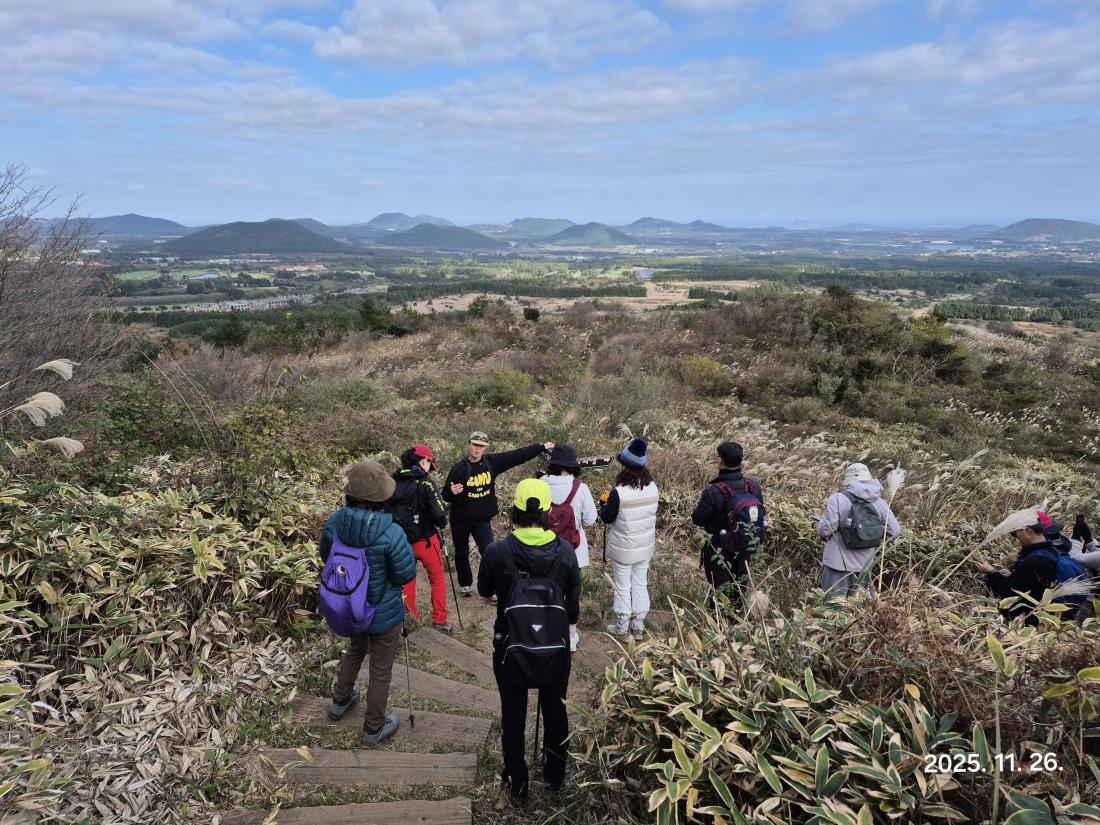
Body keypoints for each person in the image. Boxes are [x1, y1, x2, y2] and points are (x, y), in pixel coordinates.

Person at [478, 478, 581, 807]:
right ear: (548, 511)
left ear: (515, 510)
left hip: (510, 645)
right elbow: (573, 609)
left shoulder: (497, 551)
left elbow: (483, 590)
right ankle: (555, 779)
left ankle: (517, 784)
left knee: (513, 714)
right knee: (556, 712)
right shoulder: (566, 552)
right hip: (555, 647)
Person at [320, 461, 417, 746]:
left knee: (355, 649)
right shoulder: (392, 533)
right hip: (383, 612)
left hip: (350, 607)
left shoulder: (333, 525)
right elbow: (405, 574)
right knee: (380, 669)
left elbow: (328, 559)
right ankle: (374, 727)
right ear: (381, 497)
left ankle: (340, 700)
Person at [443, 431, 555, 599]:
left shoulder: (491, 463)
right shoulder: (458, 469)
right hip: (460, 519)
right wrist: (451, 492)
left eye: (481, 446)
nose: (477, 449)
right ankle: (465, 584)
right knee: (461, 552)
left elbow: (518, 455)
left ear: (485, 448)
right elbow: (445, 495)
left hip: (482, 520)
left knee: (490, 553)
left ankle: (493, 588)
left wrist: (540, 447)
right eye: (475, 445)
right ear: (469, 444)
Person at [691, 441, 763, 608]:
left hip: (718, 550)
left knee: (719, 592)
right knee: (739, 589)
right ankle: (736, 619)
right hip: (745, 547)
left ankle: (719, 622)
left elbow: (698, 519)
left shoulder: (712, 492)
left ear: (721, 461)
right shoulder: (753, 487)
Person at [389, 445, 452, 635]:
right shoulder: (426, 483)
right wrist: (442, 522)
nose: (430, 467)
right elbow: (439, 514)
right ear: (423, 460)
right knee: (437, 579)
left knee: (407, 581)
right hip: (426, 540)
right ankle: (440, 621)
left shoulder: (393, 482)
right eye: (429, 462)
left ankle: (411, 619)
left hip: (401, 542)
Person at [815, 462, 901, 597]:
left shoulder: (837, 498)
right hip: (865, 566)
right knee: (859, 605)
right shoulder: (881, 503)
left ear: (848, 480)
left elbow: (826, 529)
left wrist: (818, 526)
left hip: (837, 565)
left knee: (832, 605)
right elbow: (894, 532)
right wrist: (871, 535)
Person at [542, 443, 598, 651]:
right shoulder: (580, 488)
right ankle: (571, 635)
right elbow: (590, 519)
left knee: (546, 590)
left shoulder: (541, 483)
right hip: (574, 551)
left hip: (545, 547)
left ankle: (547, 631)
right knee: (572, 594)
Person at [601, 438, 659, 640]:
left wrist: (604, 506)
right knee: (640, 584)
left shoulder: (618, 493)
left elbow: (607, 518)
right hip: (645, 546)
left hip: (623, 548)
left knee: (622, 588)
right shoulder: (653, 487)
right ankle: (638, 627)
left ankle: (622, 628)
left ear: (625, 465)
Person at [974, 507, 1061, 625]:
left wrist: (991, 572)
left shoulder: (1033, 561)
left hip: (1026, 622)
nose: (1016, 538)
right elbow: (1032, 583)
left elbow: (1011, 594)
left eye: (1016, 533)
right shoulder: (1052, 551)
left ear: (1028, 530)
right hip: (1044, 616)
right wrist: (1013, 575)